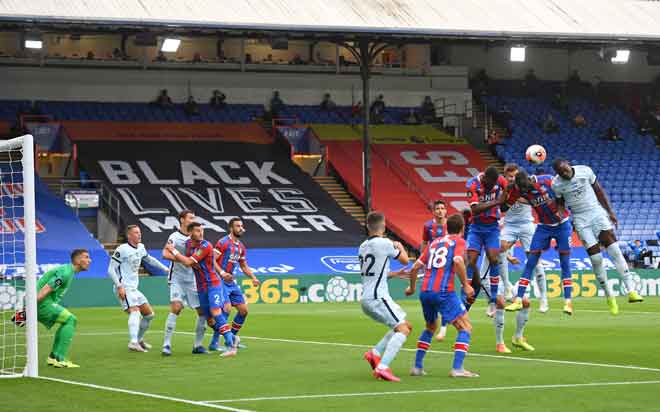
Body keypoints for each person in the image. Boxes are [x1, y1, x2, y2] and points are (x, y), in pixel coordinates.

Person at [552, 159, 644, 310]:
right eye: (561, 173)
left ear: (569, 164)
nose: (565, 174)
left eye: (565, 170)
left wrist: (610, 212)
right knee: (596, 258)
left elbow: (599, 191)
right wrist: (561, 215)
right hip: (580, 219)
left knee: (614, 250)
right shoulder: (556, 184)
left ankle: (632, 290)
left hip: (596, 213)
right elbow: (560, 204)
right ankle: (610, 296)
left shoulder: (585, 170)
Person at [406, 214, 478, 378]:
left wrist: (411, 288)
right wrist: (466, 285)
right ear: (462, 229)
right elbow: (458, 261)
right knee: (465, 327)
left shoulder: (433, 243)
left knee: (431, 327)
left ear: (447, 228)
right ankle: (457, 369)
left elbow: (415, 267)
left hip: (425, 291)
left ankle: (417, 367)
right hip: (444, 291)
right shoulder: (459, 241)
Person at [503, 170, 574, 316]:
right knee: (531, 262)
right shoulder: (519, 189)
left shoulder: (547, 180)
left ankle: (568, 301)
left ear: (530, 180)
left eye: (527, 189)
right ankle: (518, 300)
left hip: (563, 225)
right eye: (523, 191)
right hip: (543, 227)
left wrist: (561, 209)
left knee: (565, 262)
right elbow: (504, 207)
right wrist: (506, 191)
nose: (526, 192)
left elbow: (566, 193)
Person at [166, 222, 237, 357]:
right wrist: (190, 261)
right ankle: (232, 337)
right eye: (198, 231)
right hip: (201, 287)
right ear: (190, 233)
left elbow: (188, 262)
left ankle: (230, 346)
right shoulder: (188, 245)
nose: (201, 233)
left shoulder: (206, 245)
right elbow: (188, 262)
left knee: (216, 312)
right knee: (209, 320)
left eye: (201, 230)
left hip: (213, 284)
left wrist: (173, 250)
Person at [360, 212, 410, 382]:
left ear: (368, 226)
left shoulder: (362, 246)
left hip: (367, 298)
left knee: (404, 325)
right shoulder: (385, 243)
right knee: (403, 329)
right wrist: (400, 246)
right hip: (378, 297)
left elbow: (375, 272)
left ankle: (374, 354)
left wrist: (395, 274)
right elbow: (405, 260)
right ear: (383, 226)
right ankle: (383, 367)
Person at [108, 225, 170, 352]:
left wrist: (165, 269)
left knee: (149, 315)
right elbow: (110, 269)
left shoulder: (141, 247)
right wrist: (119, 286)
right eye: (136, 233)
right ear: (129, 235)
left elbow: (149, 259)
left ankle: (139, 340)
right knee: (135, 311)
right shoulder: (122, 249)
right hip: (124, 287)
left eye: (139, 232)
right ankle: (133, 342)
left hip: (134, 289)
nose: (139, 234)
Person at [32, 249, 91, 368]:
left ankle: (53, 357)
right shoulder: (66, 273)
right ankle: (59, 358)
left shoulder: (68, 271)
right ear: (78, 260)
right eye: (86, 257)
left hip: (42, 302)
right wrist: (29, 307)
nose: (90, 260)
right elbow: (46, 289)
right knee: (71, 319)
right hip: (41, 303)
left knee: (67, 321)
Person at [160, 210, 209, 356]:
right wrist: (183, 259)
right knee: (176, 307)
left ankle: (198, 345)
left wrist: (186, 260)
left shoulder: (197, 236)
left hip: (193, 279)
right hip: (177, 278)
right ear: (182, 220)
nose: (193, 219)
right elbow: (165, 253)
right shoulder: (174, 237)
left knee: (202, 312)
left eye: (194, 217)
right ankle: (166, 344)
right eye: (190, 217)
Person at [209, 218, 260, 351]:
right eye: (238, 226)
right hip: (220, 280)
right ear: (231, 228)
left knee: (243, 310)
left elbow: (243, 265)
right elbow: (211, 260)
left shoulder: (241, 247)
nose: (241, 228)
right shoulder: (223, 242)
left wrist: (253, 278)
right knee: (226, 309)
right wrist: (221, 272)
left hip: (231, 282)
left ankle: (230, 340)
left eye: (242, 226)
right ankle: (214, 343)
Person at [465, 167, 508, 313]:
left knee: (494, 259)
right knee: (470, 261)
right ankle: (465, 296)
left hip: (492, 228)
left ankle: (493, 298)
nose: (492, 187)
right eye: (490, 185)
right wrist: (497, 201)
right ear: (484, 179)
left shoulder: (498, 180)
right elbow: (475, 209)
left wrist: (505, 201)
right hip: (476, 228)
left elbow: (507, 186)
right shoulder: (472, 184)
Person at [419, 200, 450, 342]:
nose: (440, 211)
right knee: (433, 293)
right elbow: (425, 243)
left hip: (445, 265)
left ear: (446, 211)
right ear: (433, 211)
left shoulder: (450, 225)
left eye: (442, 208)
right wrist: (422, 261)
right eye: (437, 208)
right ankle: (433, 321)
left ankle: (443, 328)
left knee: (445, 294)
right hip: (432, 265)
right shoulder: (428, 226)